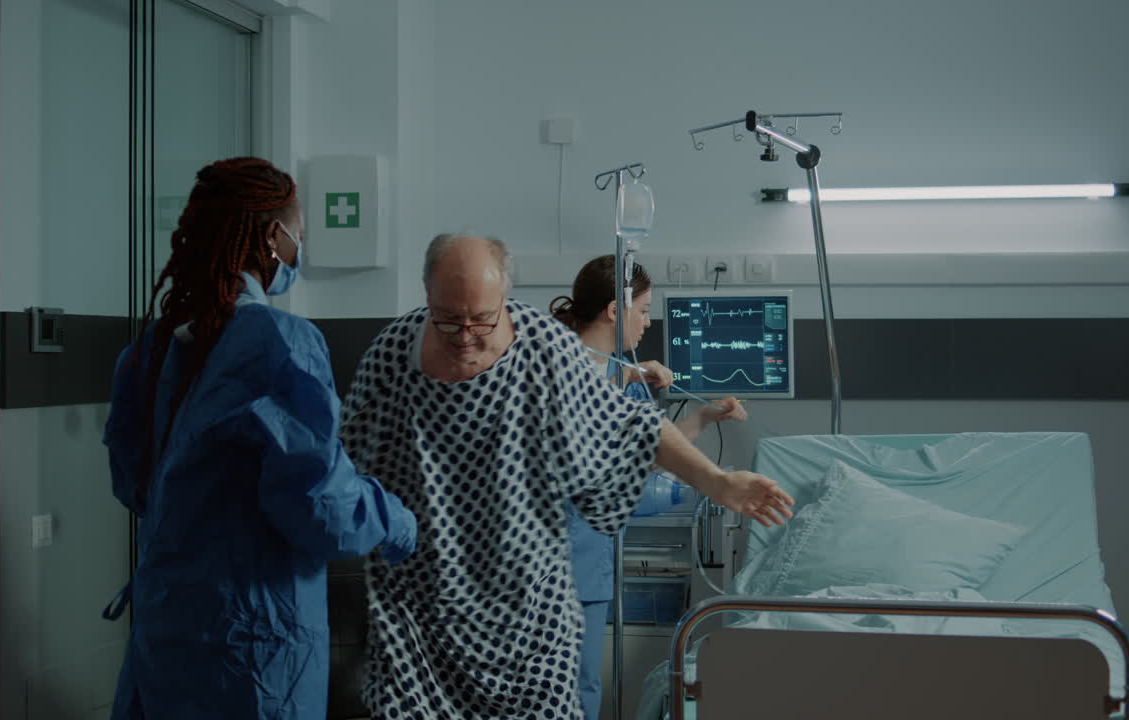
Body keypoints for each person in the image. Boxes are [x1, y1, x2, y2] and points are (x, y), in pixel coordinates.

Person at [338, 234, 794, 719]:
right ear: (427, 296)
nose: (466, 334)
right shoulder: (395, 351)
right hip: (426, 603)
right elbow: (346, 462)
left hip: (530, 605)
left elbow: (637, 426)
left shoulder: (543, 346)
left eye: (482, 319)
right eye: (449, 319)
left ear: (505, 300)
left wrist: (716, 482)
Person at [101, 157, 417, 720]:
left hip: (166, 631)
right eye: (299, 234)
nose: (299, 249)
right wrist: (397, 520)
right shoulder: (277, 341)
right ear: (273, 234)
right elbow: (323, 510)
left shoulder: (149, 352)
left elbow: (132, 484)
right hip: (253, 644)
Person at [550, 255, 749, 720]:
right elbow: (575, 392)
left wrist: (703, 417)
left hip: (590, 563)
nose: (648, 321)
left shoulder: (625, 377)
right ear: (614, 311)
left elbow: (654, 448)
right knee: (554, 692)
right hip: (552, 559)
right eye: (642, 310)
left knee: (581, 689)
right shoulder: (551, 363)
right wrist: (627, 373)